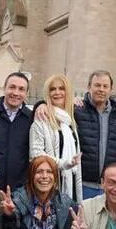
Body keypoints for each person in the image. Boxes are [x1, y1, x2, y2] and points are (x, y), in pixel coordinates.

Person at [30, 74, 82, 202]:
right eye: (52, 89)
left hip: (71, 184)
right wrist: (64, 163)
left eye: (61, 88)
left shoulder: (70, 121)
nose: (57, 92)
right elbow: (35, 155)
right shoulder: (41, 119)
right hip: (48, 185)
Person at [0, 72, 34, 190]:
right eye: (12, 87)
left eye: (21, 89)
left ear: (26, 93)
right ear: (4, 89)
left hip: (20, 190)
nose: (16, 93)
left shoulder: (32, 119)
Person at [74, 70, 116, 200]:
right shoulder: (77, 109)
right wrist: (41, 104)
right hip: (83, 185)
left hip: (108, 187)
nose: (101, 89)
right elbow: (53, 106)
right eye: (97, 85)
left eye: (105, 86)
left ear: (110, 90)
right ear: (89, 87)